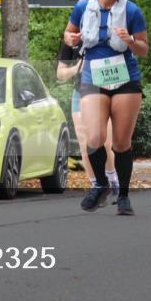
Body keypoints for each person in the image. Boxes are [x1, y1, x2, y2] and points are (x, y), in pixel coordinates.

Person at [64, 0, 148, 216]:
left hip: (125, 79)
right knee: (95, 137)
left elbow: (143, 49)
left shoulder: (132, 11)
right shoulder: (82, 7)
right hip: (93, 77)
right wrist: (72, 38)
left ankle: (123, 195)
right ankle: (100, 184)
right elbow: (68, 35)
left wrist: (130, 40)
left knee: (121, 143)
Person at [56, 22, 118, 197]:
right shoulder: (72, 40)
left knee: (104, 143)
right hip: (81, 92)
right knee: (85, 143)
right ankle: (96, 187)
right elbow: (60, 74)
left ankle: (113, 179)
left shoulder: (108, 35)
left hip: (106, 92)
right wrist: (77, 68)